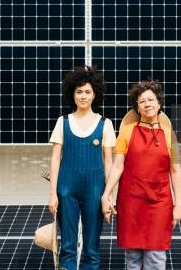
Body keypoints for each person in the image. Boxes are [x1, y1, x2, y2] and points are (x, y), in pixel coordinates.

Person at [101, 80, 181, 270]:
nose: (147, 104)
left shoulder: (169, 134)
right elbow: (117, 166)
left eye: (151, 100)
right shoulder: (126, 132)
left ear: (159, 103)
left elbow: (175, 170)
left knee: (156, 257)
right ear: (137, 107)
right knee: (133, 258)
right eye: (142, 101)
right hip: (131, 202)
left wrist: (178, 205)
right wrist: (106, 195)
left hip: (160, 202)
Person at [48, 66, 115, 270]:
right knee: (67, 246)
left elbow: (109, 162)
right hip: (66, 189)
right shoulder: (63, 122)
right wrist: (53, 194)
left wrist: (108, 196)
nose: (83, 96)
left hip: (95, 190)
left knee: (92, 248)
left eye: (87, 92)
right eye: (79, 92)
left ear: (95, 94)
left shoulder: (105, 124)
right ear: (72, 94)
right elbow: (55, 159)